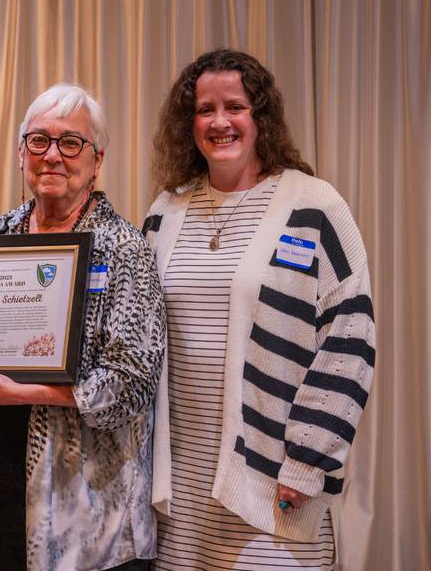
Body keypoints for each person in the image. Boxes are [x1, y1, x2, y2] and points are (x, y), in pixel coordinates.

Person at [144, 49, 376, 570]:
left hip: (272, 478)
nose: (219, 122)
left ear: (261, 118)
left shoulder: (314, 207)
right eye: (205, 109)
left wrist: (307, 460)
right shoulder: (164, 212)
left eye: (236, 107)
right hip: (178, 485)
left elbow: (349, 340)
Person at [0, 83, 164, 571]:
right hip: (4, 476)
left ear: (97, 159)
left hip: (91, 512)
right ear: (21, 152)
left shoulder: (124, 250)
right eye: (39, 141)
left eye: (71, 143)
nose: (52, 156)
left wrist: (22, 393)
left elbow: (131, 387)